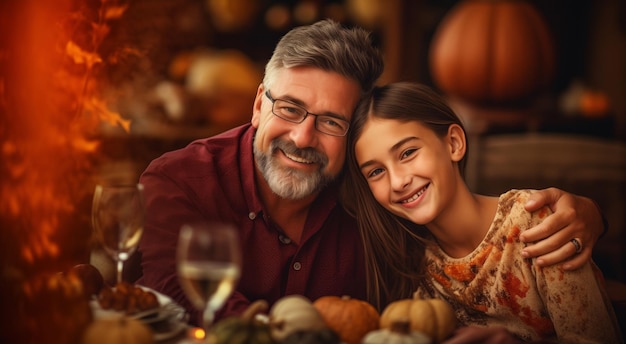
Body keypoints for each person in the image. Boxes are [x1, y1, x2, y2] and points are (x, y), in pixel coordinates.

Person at [135, 19, 606, 327]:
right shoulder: (181, 180)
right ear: (259, 103)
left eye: (331, 122)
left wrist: (586, 212)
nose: (302, 138)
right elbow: (170, 289)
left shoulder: (368, 193)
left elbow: (458, 216)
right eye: (290, 108)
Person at [342, 81, 623, 344]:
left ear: (453, 143)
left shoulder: (534, 222)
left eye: (408, 153)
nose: (397, 181)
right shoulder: (412, 262)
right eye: (376, 172)